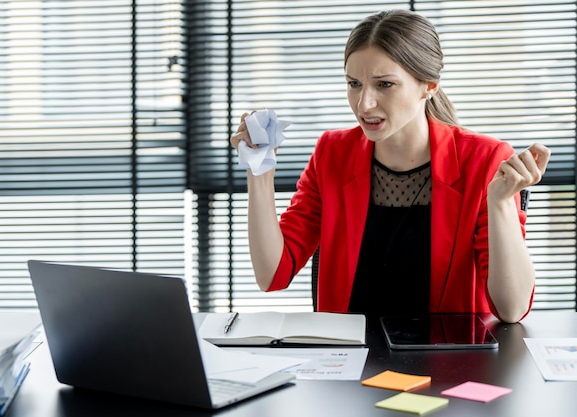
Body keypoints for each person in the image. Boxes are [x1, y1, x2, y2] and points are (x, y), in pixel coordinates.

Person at [228, 9, 551, 324]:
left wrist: (498, 203)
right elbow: (271, 274)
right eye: (354, 84)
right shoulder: (333, 153)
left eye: (384, 85)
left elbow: (511, 309)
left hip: (446, 363)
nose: (364, 103)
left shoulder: (484, 159)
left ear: (429, 86)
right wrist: (260, 168)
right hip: (350, 365)